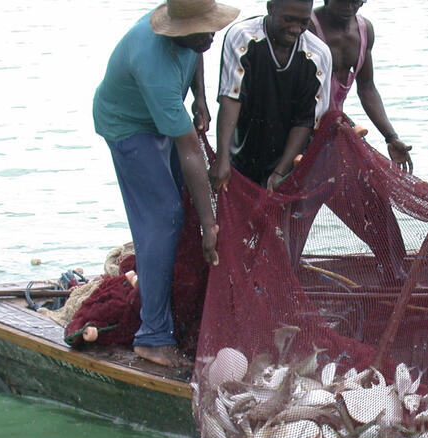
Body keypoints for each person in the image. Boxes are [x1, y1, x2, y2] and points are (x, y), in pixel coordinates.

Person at [93, 0, 237, 367]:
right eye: (203, 30)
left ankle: (162, 293)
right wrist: (209, 225)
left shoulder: (192, 36)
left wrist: (200, 99)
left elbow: (196, 54)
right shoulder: (153, 63)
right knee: (164, 216)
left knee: (184, 201)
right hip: (128, 126)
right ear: (177, 31)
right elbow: (190, 151)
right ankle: (153, 335)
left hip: (161, 114)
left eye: (212, 27)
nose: (211, 36)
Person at [209, 0, 332, 191]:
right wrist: (222, 157)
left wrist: (280, 172)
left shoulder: (319, 54)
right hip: (243, 151)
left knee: (283, 218)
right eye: (289, 19)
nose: (296, 29)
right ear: (271, 8)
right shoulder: (242, 36)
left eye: (303, 22)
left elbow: (306, 120)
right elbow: (231, 98)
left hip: (290, 156)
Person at [308, 0, 414, 171]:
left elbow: (367, 88)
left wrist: (391, 137)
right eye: (343, 2)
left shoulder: (364, 30)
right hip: (301, 128)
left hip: (334, 128)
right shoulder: (307, 26)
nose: (349, 8)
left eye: (356, 2)